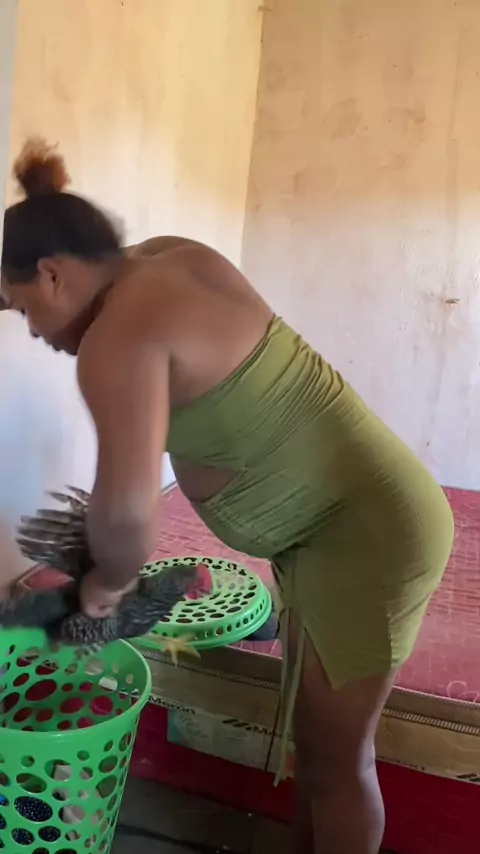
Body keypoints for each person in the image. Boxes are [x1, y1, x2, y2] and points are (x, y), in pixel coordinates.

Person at [1, 139, 454, 854]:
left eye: (23, 308)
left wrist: (99, 595)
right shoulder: (166, 258)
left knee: (340, 763)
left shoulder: (117, 340)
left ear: (53, 274)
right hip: (335, 531)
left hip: (366, 537)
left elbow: (126, 520)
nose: (32, 331)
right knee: (318, 748)